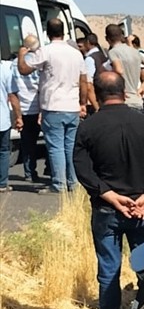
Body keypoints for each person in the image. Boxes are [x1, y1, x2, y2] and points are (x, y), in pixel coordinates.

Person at [73, 70, 144, 309]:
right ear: (125, 91)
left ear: (97, 93)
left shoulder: (89, 128)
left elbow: (82, 168)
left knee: (108, 269)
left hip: (107, 211)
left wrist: (110, 195)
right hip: (142, 211)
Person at [16, 17, 86, 192]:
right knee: (70, 146)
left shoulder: (46, 51)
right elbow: (84, 80)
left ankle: (58, 184)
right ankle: (73, 182)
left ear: (47, 33)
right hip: (72, 106)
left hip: (53, 106)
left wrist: (21, 55)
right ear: (63, 32)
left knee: (55, 147)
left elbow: (24, 70)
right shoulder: (76, 53)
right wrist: (82, 102)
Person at [14, 36, 44, 185]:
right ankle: (34, 172)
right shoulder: (38, 62)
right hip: (36, 107)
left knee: (26, 142)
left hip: (20, 107)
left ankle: (28, 171)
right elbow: (42, 87)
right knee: (36, 142)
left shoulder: (14, 63)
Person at [106, 23, 144, 110]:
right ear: (121, 36)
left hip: (125, 101)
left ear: (107, 39)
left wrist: (120, 88)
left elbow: (119, 70)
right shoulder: (135, 52)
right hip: (137, 100)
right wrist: (143, 86)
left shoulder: (113, 52)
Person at [0, 59, 23, 192]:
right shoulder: (5, 70)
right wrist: (18, 117)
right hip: (2, 119)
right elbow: (13, 97)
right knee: (3, 151)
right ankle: (2, 184)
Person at [78, 32, 108, 114]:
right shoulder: (103, 56)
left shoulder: (90, 59)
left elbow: (88, 85)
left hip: (94, 103)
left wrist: (96, 108)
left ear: (87, 42)